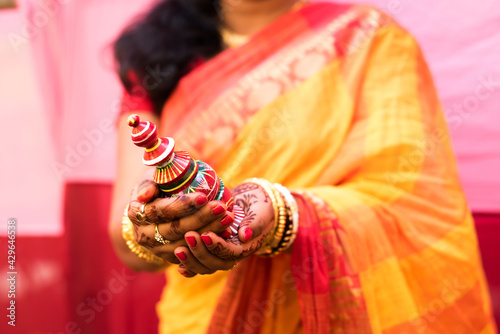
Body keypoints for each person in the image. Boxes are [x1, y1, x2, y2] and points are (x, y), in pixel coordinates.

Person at [108, 0, 497, 333]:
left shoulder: (368, 39)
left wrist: (280, 212)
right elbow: (124, 235)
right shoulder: (151, 58)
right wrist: (160, 230)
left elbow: (413, 203)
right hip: (204, 317)